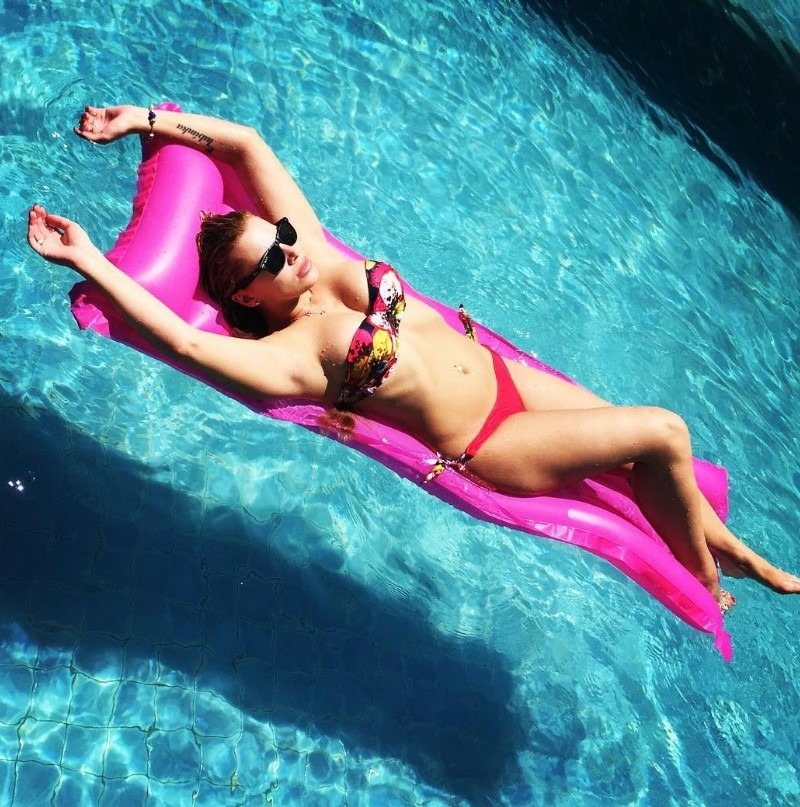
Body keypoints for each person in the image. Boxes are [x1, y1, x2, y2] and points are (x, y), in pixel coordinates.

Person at [27, 103, 800, 613]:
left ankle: (724, 547)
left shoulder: (318, 258)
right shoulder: (296, 356)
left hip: (510, 380)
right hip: (493, 442)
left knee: (640, 450)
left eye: (282, 236)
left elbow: (247, 144)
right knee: (662, 432)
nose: (290, 249)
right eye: (272, 258)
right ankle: (707, 575)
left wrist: (143, 118)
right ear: (247, 295)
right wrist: (88, 258)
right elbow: (185, 341)